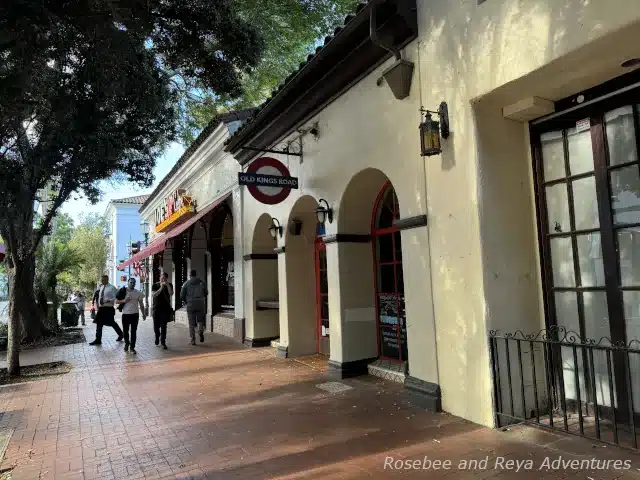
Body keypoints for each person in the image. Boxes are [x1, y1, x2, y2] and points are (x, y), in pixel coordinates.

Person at [89, 275, 124, 345]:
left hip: (109, 308)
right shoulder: (101, 287)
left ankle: (121, 334)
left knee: (111, 323)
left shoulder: (112, 287)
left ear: (107, 280)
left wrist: (110, 300)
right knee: (99, 323)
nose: (102, 281)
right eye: (101, 280)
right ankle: (98, 340)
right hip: (101, 308)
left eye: (103, 280)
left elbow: (116, 297)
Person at [116, 278, 145, 354]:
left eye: (134, 283)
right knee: (125, 332)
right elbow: (116, 301)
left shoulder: (138, 293)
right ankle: (126, 343)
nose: (132, 284)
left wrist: (144, 314)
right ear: (128, 282)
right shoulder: (122, 291)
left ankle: (132, 348)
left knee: (133, 332)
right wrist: (124, 301)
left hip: (135, 315)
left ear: (135, 284)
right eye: (131, 282)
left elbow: (141, 305)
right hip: (125, 315)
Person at [180, 269, 208, 345]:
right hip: (200, 303)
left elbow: (182, 295)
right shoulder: (202, 282)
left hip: (190, 304)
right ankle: (200, 330)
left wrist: (186, 301)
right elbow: (206, 293)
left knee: (191, 323)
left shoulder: (186, 284)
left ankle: (193, 340)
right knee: (200, 320)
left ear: (190, 275)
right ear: (196, 275)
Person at [151, 272, 173, 349]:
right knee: (156, 326)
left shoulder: (169, 285)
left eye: (164, 278)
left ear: (167, 279)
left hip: (165, 309)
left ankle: (163, 342)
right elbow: (154, 295)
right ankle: (157, 337)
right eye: (162, 278)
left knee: (164, 326)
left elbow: (171, 293)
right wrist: (161, 288)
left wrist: (167, 285)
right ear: (159, 277)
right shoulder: (155, 285)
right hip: (156, 309)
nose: (163, 279)